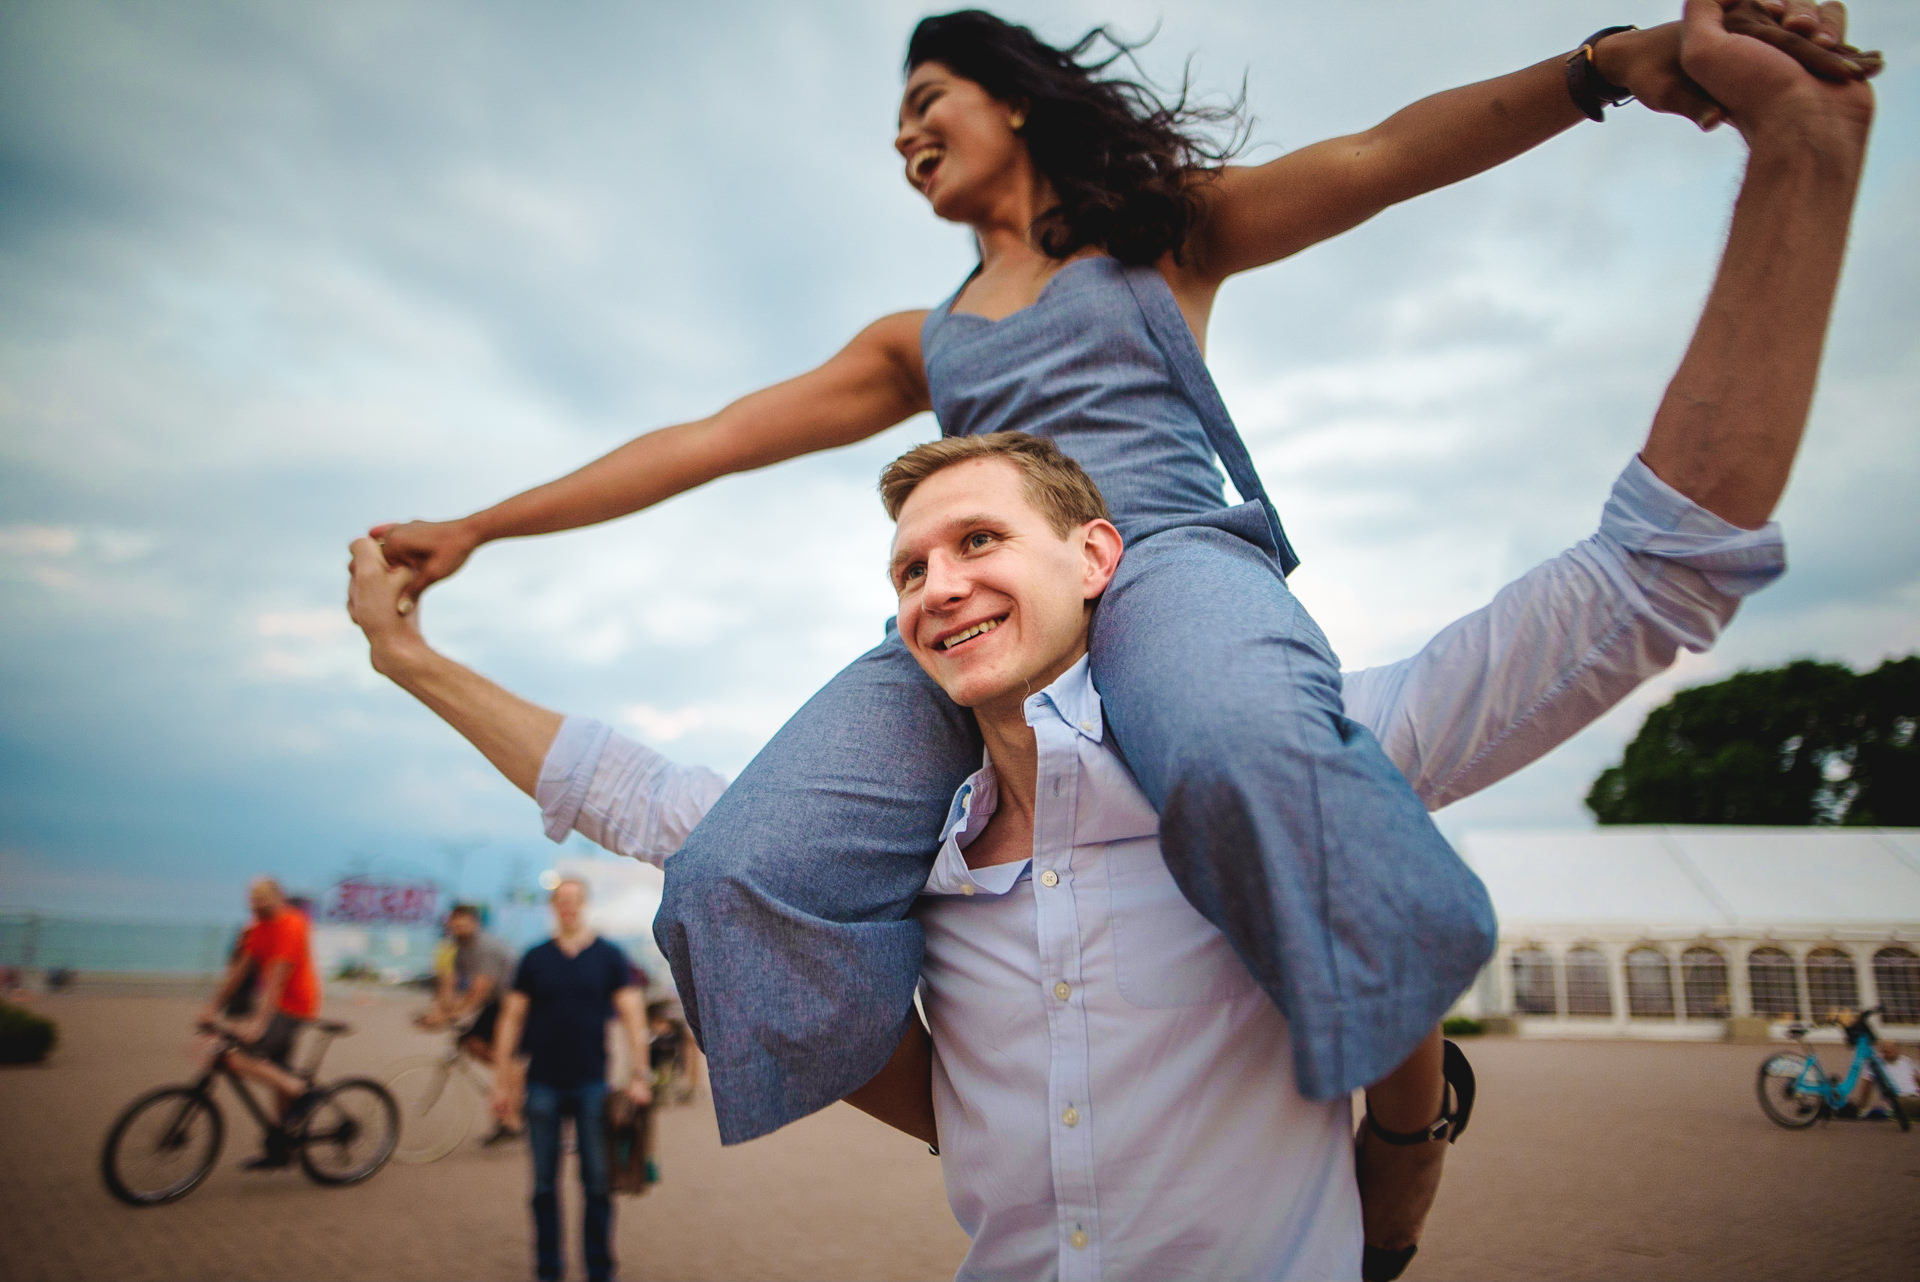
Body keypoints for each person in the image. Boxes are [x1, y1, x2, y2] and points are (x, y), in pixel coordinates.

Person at [346, 1, 1876, 1259]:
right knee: (745, 865)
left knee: (1234, 741)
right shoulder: (920, 337)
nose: (903, 136)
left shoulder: (1161, 241)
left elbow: (1391, 154)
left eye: (929, 97)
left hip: (1161, 561)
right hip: (984, 598)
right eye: (893, 119)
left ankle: (1393, 1104)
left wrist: (1608, 66)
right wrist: (483, 523)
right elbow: (711, 435)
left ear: (1013, 101)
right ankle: (1025, 1111)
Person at [490, 878, 653, 1282]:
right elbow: (510, 1019)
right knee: (544, 1186)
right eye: (560, 901)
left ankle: (600, 1270)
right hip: (541, 1084)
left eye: (574, 901)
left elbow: (634, 1017)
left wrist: (640, 1074)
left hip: (592, 1085)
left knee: (597, 1184)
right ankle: (549, 1270)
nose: (567, 907)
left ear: (584, 904)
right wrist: (500, 1082)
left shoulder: (609, 956)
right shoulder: (535, 958)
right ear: (553, 907)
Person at [199, 877, 323, 1169]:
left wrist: (258, 1023)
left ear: (279, 896)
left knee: (232, 1058)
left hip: (294, 1007)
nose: (255, 903)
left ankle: (301, 1092)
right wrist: (211, 1008)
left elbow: (277, 981)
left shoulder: (293, 924)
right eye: (252, 898)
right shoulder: (258, 928)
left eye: (262, 897)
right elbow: (240, 972)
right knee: (275, 1072)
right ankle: (281, 1148)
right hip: (275, 1007)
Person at [418, 902, 524, 1141]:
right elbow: (449, 983)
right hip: (496, 1002)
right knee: (471, 1041)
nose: (458, 927)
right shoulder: (458, 948)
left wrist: (448, 1015)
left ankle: (513, 1119)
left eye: (463, 922)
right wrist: (438, 1011)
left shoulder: (484, 946)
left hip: (516, 1002)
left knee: (508, 1059)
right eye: (454, 923)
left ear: (475, 923)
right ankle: (510, 1076)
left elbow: (480, 989)